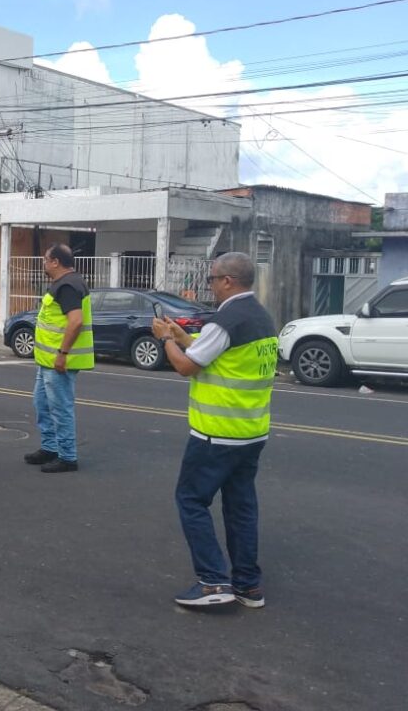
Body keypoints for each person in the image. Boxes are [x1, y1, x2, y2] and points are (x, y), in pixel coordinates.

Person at [151, 252, 278, 608]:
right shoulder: (260, 317)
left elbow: (186, 368)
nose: (209, 285)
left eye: (211, 279)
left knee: (191, 500)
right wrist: (183, 335)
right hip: (251, 432)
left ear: (227, 281)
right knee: (241, 507)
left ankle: (212, 582)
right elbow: (216, 356)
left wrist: (165, 340)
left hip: (216, 433)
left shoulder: (227, 320)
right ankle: (248, 585)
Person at [21, 244, 94, 473]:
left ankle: (67, 457)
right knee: (42, 404)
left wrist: (62, 354)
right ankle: (50, 448)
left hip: (58, 362)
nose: (43, 264)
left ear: (56, 262)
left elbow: (75, 321)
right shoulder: (64, 283)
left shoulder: (69, 285)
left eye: (46, 260)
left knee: (60, 408)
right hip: (47, 361)